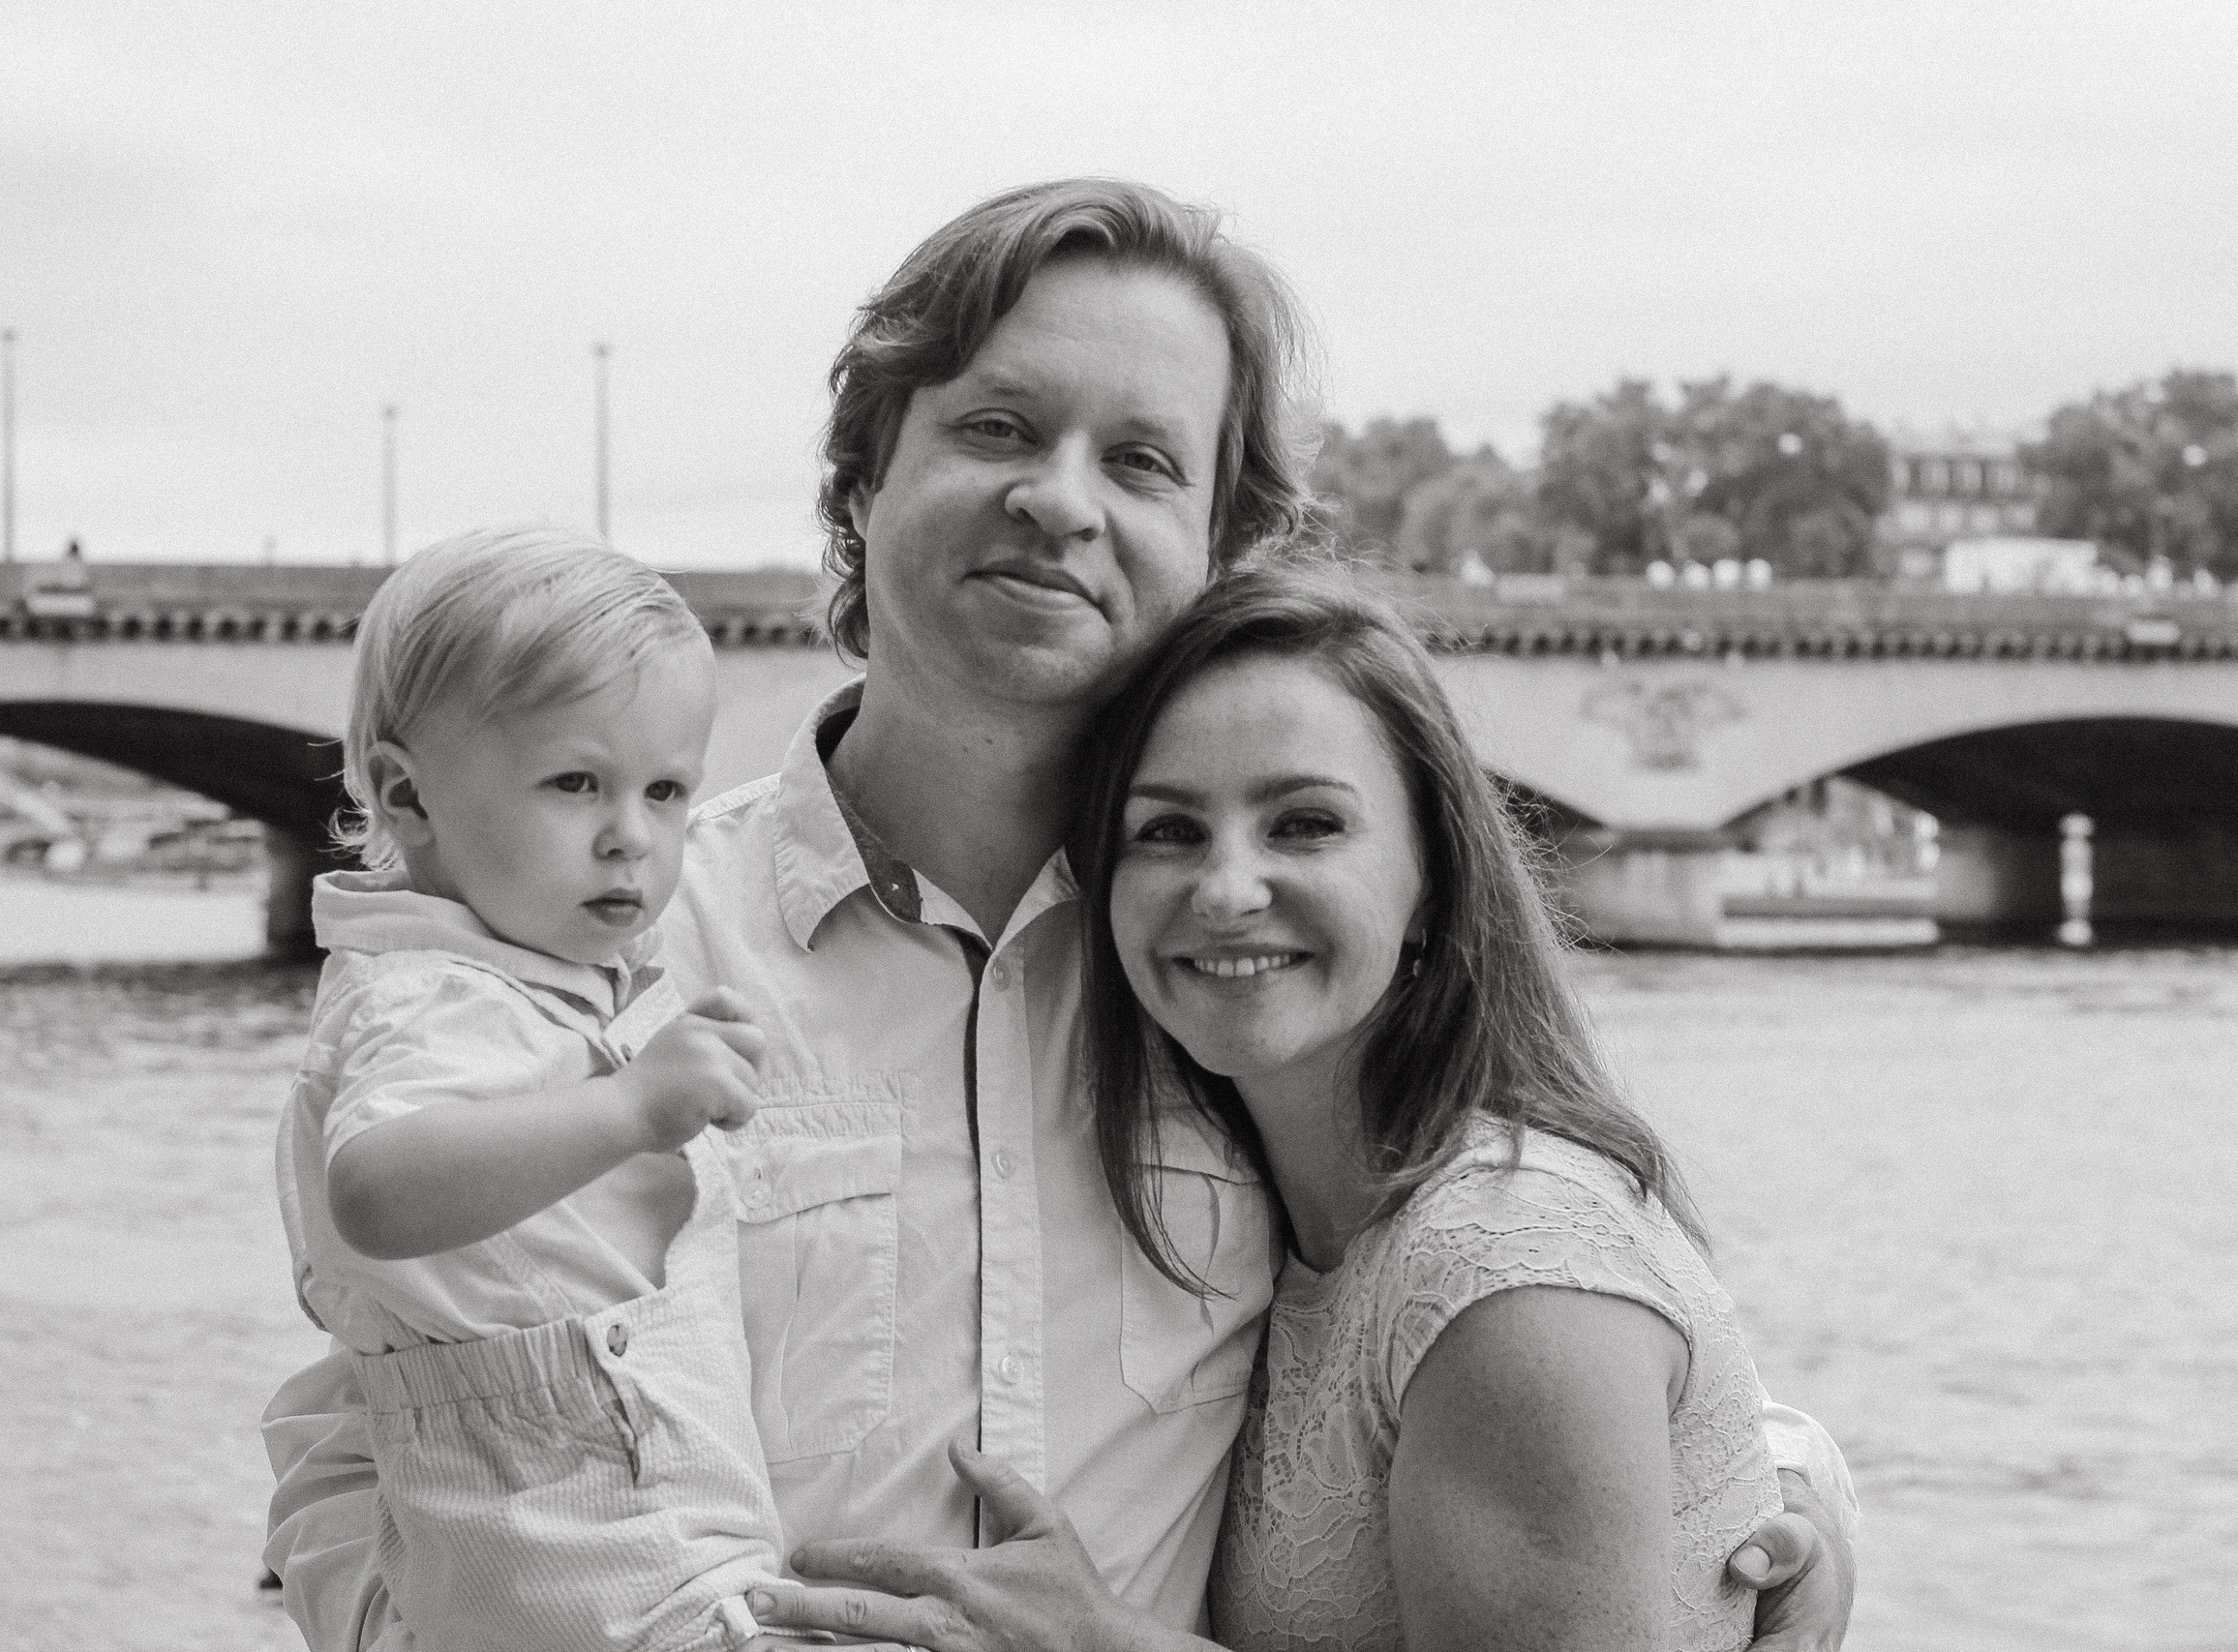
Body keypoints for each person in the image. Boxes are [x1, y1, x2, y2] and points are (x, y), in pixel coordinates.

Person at [261, 179, 1857, 1651]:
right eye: (999, 426)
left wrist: (1776, 1497)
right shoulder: (593, 960)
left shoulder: (1241, 970)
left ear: (1220, 548)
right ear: (863, 477)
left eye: (1143, 459)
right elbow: (377, 1431)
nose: (1059, 501)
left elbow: (1497, 1270)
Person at [754, 567, 1799, 1649]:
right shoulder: (1284, 1229)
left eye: (1303, 825)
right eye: (1165, 833)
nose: (1225, 889)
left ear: (1433, 877)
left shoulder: (1507, 1260)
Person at [274, 526, 801, 1650]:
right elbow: (377, 1185)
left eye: (666, 792)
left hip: (623, 1551)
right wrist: (631, 1110)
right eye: (576, 784)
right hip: (596, 1572)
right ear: (405, 796)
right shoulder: (429, 997)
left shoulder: (532, 985)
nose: (631, 838)